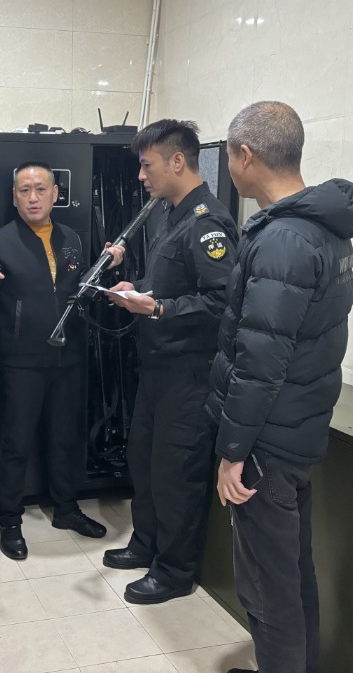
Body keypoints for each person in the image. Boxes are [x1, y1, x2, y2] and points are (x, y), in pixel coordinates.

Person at [208, 101, 353, 673]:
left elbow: (260, 362)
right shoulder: (324, 229)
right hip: (297, 430)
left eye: (230, 156)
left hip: (267, 442)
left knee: (267, 591)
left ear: (245, 156)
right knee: (291, 575)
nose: (229, 168)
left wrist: (232, 452)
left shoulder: (283, 239)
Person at [101, 119, 239, 604]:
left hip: (190, 373)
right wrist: (136, 288)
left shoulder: (207, 223)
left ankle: (175, 571)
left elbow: (222, 303)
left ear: (178, 161)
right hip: (157, 367)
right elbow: (171, 282)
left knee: (176, 472)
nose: (141, 176)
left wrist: (158, 309)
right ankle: (146, 543)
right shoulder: (170, 215)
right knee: (144, 461)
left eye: (147, 165)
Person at [0, 162, 112, 560]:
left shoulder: (72, 238)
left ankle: (66, 509)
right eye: (24, 190)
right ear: (14, 197)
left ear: (55, 194)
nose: (33, 198)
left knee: (65, 436)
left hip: (69, 356)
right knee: (16, 441)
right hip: (22, 359)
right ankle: (10, 519)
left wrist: (108, 265)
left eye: (40, 189)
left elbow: (81, 289)